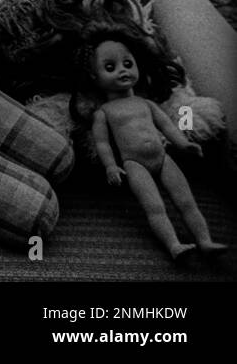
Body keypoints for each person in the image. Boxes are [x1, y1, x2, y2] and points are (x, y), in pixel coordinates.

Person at [82, 23, 227, 260]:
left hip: (163, 157)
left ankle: (205, 240)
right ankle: (174, 245)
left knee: (187, 201)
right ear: (94, 76)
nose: (122, 71)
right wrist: (110, 166)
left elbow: (167, 125)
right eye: (110, 67)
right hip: (134, 164)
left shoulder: (146, 103)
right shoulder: (104, 112)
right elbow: (102, 144)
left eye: (127, 64)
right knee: (154, 207)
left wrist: (182, 143)